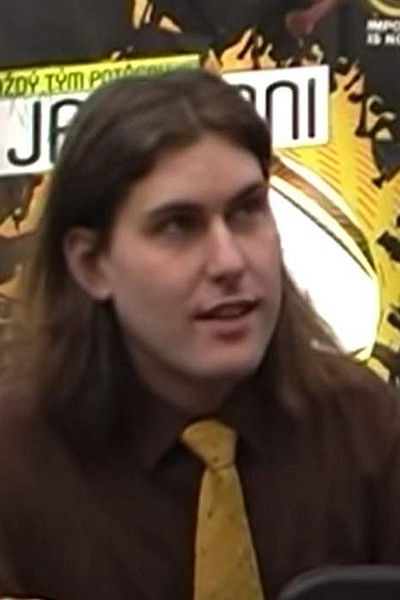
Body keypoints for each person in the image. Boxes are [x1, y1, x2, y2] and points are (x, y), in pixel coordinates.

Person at [0, 69, 399, 600]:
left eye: (247, 211)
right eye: (178, 226)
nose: (229, 261)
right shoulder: (16, 462)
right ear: (92, 264)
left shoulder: (369, 428)